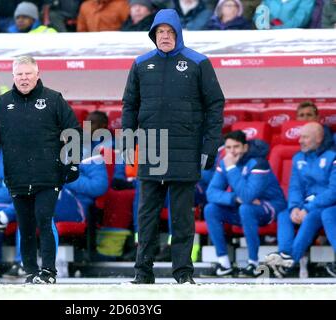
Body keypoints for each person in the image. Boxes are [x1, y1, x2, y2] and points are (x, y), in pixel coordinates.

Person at [122, 8, 225, 284]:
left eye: (169, 32)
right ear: (153, 34)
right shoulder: (141, 64)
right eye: (160, 32)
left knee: (182, 217)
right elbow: (129, 105)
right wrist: (127, 142)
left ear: (178, 33)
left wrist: (209, 146)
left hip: (185, 150)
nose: (164, 37)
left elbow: (215, 104)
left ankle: (183, 273)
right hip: (151, 149)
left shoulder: (198, 62)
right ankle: (143, 272)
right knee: (146, 216)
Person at [0, 55, 82, 284]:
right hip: (16, 177)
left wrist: (73, 163)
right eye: (19, 74)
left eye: (28, 74)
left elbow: (74, 131)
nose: (24, 78)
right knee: (25, 225)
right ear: (13, 76)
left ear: (37, 74)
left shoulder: (53, 99)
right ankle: (31, 271)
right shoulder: (3, 102)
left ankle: (48, 272)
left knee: (44, 220)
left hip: (48, 176)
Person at [205, 130, 286, 277]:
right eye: (228, 148)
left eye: (236, 147)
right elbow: (211, 193)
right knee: (211, 209)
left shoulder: (259, 163)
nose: (232, 152)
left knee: (246, 208)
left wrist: (231, 169)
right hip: (246, 206)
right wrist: (234, 198)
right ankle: (224, 265)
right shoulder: (226, 163)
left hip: (270, 206)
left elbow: (247, 196)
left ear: (245, 147)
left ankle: (253, 264)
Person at [265, 122, 336, 278]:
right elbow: (295, 187)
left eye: (305, 137)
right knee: (284, 214)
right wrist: (295, 207)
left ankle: (290, 261)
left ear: (318, 138)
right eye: (300, 137)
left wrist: (308, 208)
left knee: (312, 216)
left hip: (326, 205)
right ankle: (284, 254)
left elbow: (333, 191)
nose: (300, 141)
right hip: (306, 204)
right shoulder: (298, 158)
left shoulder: (333, 156)